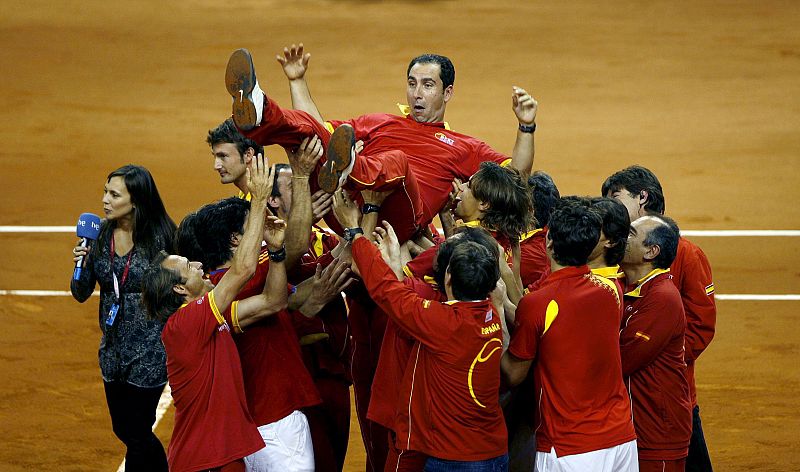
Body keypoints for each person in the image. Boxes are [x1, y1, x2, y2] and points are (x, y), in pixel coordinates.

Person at [224, 45, 538, 243]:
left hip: (399, 217)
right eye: (412, 83)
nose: (417, 93)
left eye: (428, 85)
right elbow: (319, 130)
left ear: (448, 93)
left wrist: (526, 125)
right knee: (311, 132)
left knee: (397, 161)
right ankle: (260, 111)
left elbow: (517, 175)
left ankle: (351, 167)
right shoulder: (380, 121)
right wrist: (297, 81)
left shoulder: (463, 145)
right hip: (348, 205)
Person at [334, 193, 509, 471]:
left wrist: (356, 232)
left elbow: (387, 291)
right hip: (493, 451)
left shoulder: (442, 322)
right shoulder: (492, 314)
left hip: (452, 456)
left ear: (448, 278)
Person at [141, 155, 289, 472]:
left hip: (220, 454)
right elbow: (244, 268)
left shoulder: (207, 318)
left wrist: (275, 252)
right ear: (180, 290)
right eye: (189, 268)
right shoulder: (186, 321)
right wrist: (260, 200)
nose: (198, 265)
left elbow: (274, 300)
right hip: (204, 460)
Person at [501, 199, 638, 472]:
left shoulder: (539, 304)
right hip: (621, 439)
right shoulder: (612, 291)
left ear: (548, 243)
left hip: (569, 448)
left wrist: (495, 308)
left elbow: (514, 373)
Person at [602, 165, 716, 471]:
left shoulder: (687, 254)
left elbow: (701, 324)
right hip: (628, 397)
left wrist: (665, 356)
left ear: (643, 197)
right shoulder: (617, 255)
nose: (610, 206)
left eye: (616, 197)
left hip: (668, 391)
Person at [70, 164, 176, 472]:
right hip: (113, 349)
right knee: (125, 429)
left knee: (136, 429)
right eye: (105, 191)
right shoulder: (101, 235)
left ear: (136, 200)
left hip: (150, 350)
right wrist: (81, 263)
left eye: (114, 194)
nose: (105, 199)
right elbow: (80, 291)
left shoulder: (162, 237)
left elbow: (181, 291)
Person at [619, 215, 692, 471]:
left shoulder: (663, 298)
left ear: (651, 251)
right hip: (634, 426)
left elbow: (623, 360)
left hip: (657, 433)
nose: (621, 237)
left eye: (629, 234)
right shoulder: (626, 285)